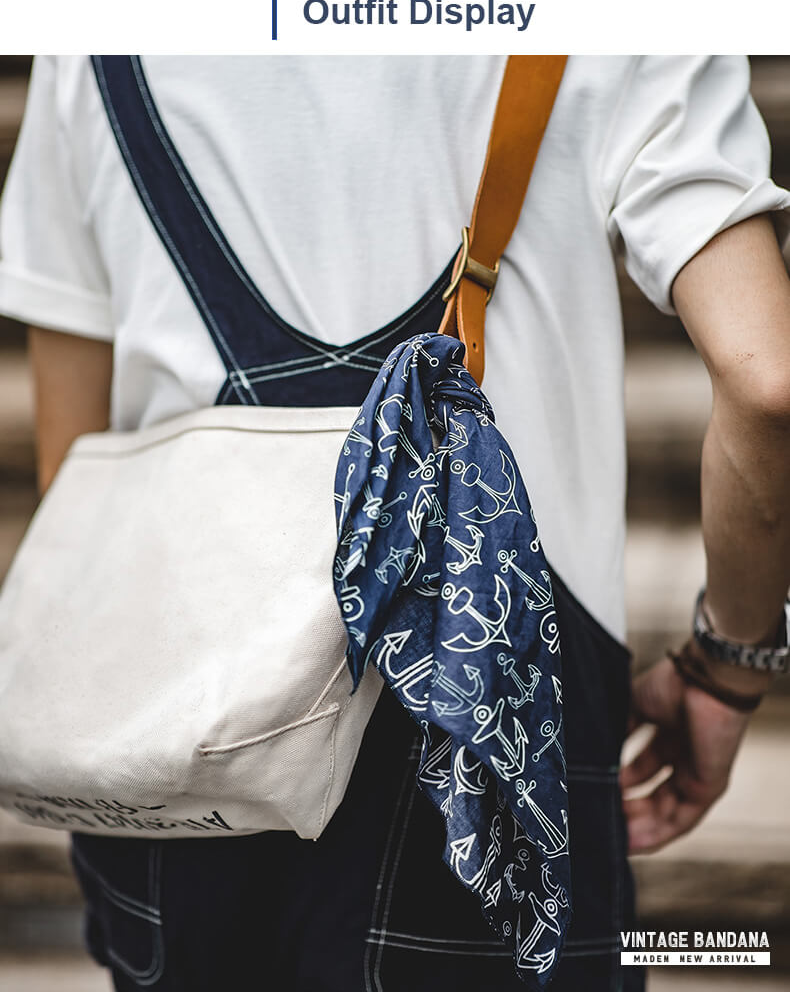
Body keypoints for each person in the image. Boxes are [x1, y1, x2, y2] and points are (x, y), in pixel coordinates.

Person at [0, 55, 788, 991]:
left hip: (175, 733)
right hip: (482, 713)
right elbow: (766, 380)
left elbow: (74, 465)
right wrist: (730, 663)